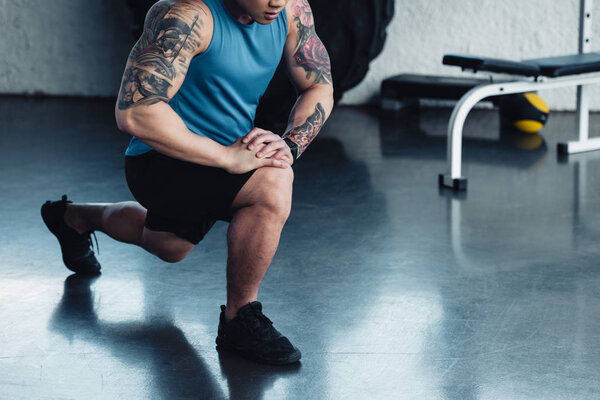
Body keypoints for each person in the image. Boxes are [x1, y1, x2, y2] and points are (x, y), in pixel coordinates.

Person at [41, 0, 333, 365]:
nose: (276, 0)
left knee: (168, 245)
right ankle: (239, 320)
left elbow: (318, 86)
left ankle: (73, 217)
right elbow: (135, 112)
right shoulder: (185, 15)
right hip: (163, 158)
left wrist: (290, 144)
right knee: (274, 182)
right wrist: (227, 157)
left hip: (228, 156)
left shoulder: (291, 11)